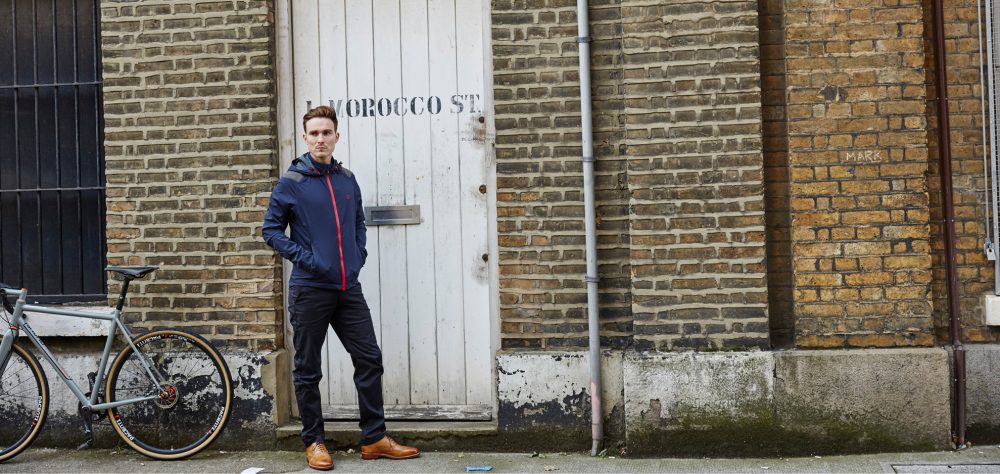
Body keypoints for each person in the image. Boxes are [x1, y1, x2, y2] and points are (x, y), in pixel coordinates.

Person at [262, 105, 419, 470]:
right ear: (305, 138)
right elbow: (271, 231)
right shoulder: (291, 182)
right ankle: (314, 441)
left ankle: (374, 438)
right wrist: (309, 259)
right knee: (308, 369)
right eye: (314, 133)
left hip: (348, 288)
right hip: (310, 289)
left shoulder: (347, 179)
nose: (321, 139)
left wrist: (357, 256)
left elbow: (358, 224)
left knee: (369, 359)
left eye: (326, 133)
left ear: (336, 136)